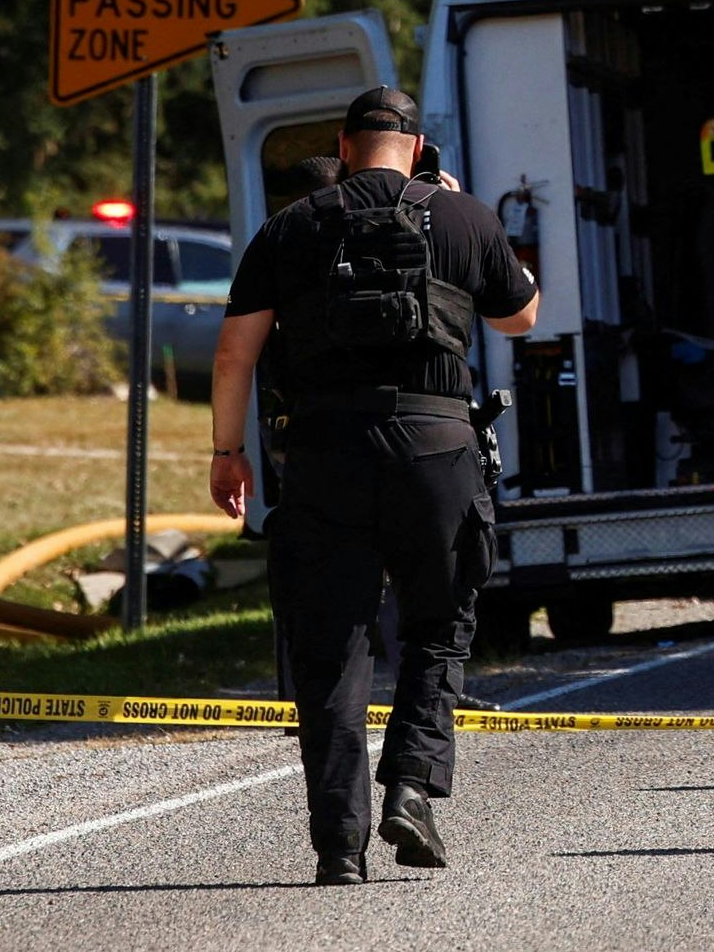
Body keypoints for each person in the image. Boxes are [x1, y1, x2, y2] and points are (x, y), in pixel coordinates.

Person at [210, 87, 540, 881]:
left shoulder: (288, 228)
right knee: (437, 626)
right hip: (436, 453)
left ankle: (339, 847)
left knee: (331, 649)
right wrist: (467, 217)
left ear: (344, 142)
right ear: (420, 146)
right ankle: (412, 792)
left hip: (325, 456)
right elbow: (522, 316)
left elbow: (234, 355)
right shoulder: (464, 218)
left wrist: (229, 451)